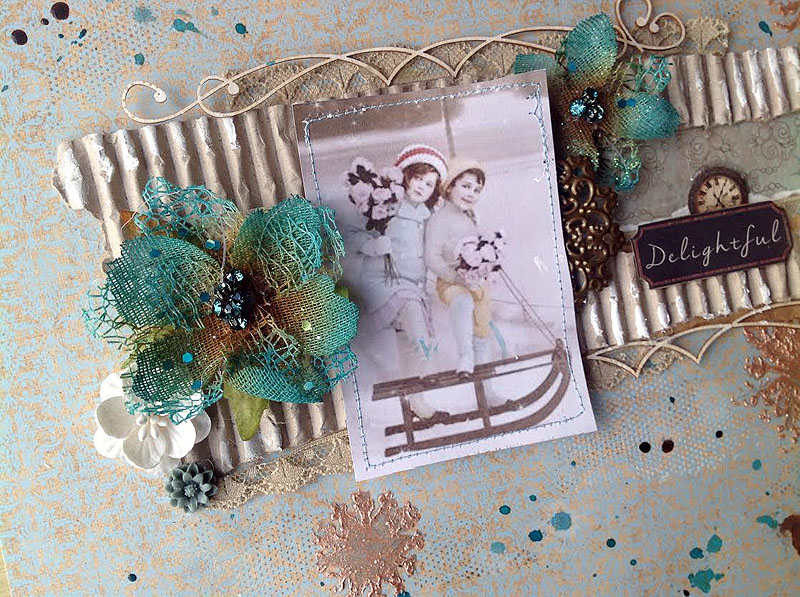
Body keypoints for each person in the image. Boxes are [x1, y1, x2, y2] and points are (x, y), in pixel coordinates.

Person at [349, 144, 448, 418]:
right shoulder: (385, 206)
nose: (421, 187)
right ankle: (421, 375)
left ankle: (416, 403)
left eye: (429, 184)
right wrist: (372, 246)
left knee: (408, 347)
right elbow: (352, 236)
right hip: (386, 284)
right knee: (420, 341)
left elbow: (429, 252)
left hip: (414, 288)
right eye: (418, 178)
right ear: (404, 176)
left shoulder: (428, 216)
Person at [424, 158, 493, 376]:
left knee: (482, 324)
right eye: (465, 186)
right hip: (450, 282)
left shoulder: (470, 218)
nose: (471, 194)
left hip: (476, 281)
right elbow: (431, 257)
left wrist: (486, 262)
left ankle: (485, 380)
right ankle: (465, 356)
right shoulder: (440, 219)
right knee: (462, 302)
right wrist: (455, 277)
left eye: (476, 190)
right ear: (449, 187)